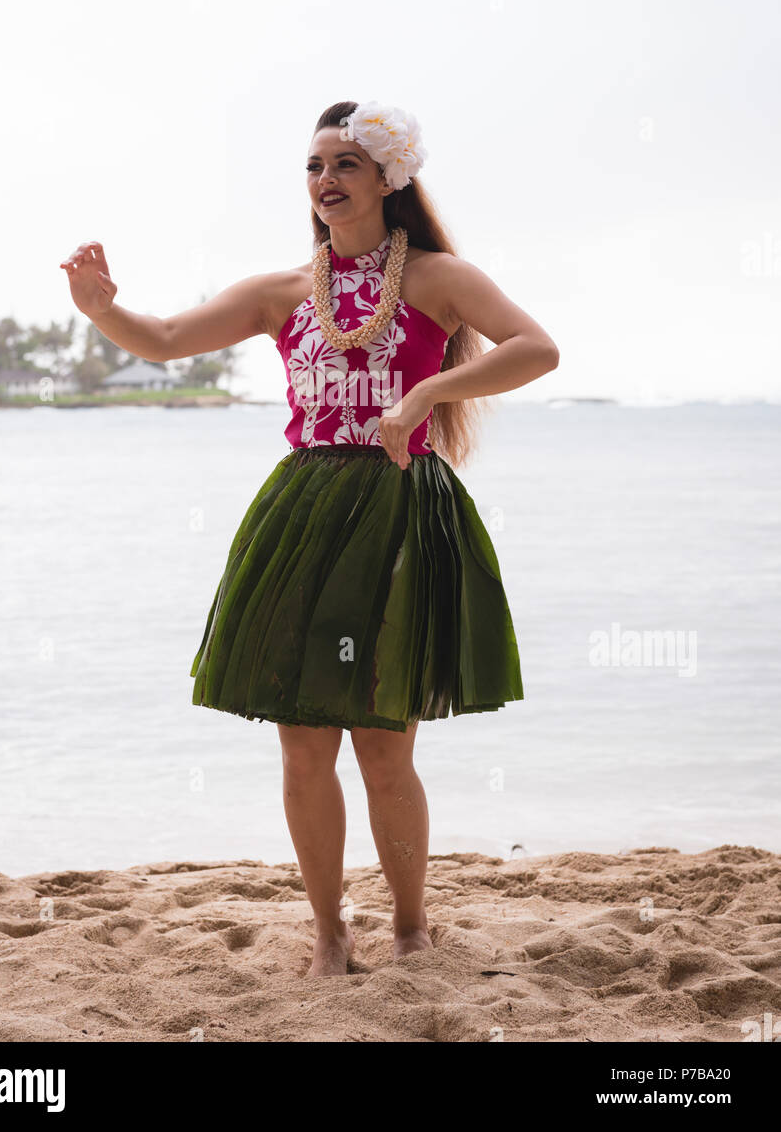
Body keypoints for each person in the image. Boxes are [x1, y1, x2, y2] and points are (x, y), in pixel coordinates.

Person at [60, 98, 559, 978]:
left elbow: (536, 349)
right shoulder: (283, 291)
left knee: (383, 745)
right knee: (300, 746)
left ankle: (409, 926)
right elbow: (167, 338)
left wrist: (425, 397)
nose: (324, 181)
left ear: (386, 180)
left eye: (345, 165)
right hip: (303, 515)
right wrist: (105, 311)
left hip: (400, 514)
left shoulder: (438, 277)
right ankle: (329, 931)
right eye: (314, 166)